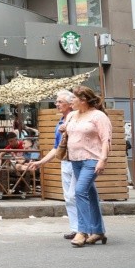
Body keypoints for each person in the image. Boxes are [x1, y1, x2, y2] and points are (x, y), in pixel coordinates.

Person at [59, 86, 110, 247]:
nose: (71, 101)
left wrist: (103, 159)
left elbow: (106, 139)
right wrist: (63, 128)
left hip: (92, 160)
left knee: (79, 191)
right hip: (75, 160)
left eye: (73, 98)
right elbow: (66, 129)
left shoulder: (98, 116)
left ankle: (82, 231)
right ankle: (98, 231)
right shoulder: (73, 115)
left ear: (83, 100)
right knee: (90, 194)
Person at [28, 90, 78, 239]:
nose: (57, 104)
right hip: (65, 162)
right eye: (56, 102)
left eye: (60, 102)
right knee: (69, 197)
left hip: (78, 162)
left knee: (76, 195)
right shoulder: (60, 123)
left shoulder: (75, 119)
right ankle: (76, 229)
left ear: (70, 104)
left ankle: (84, 228)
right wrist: (41, 162)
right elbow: (56, 148)